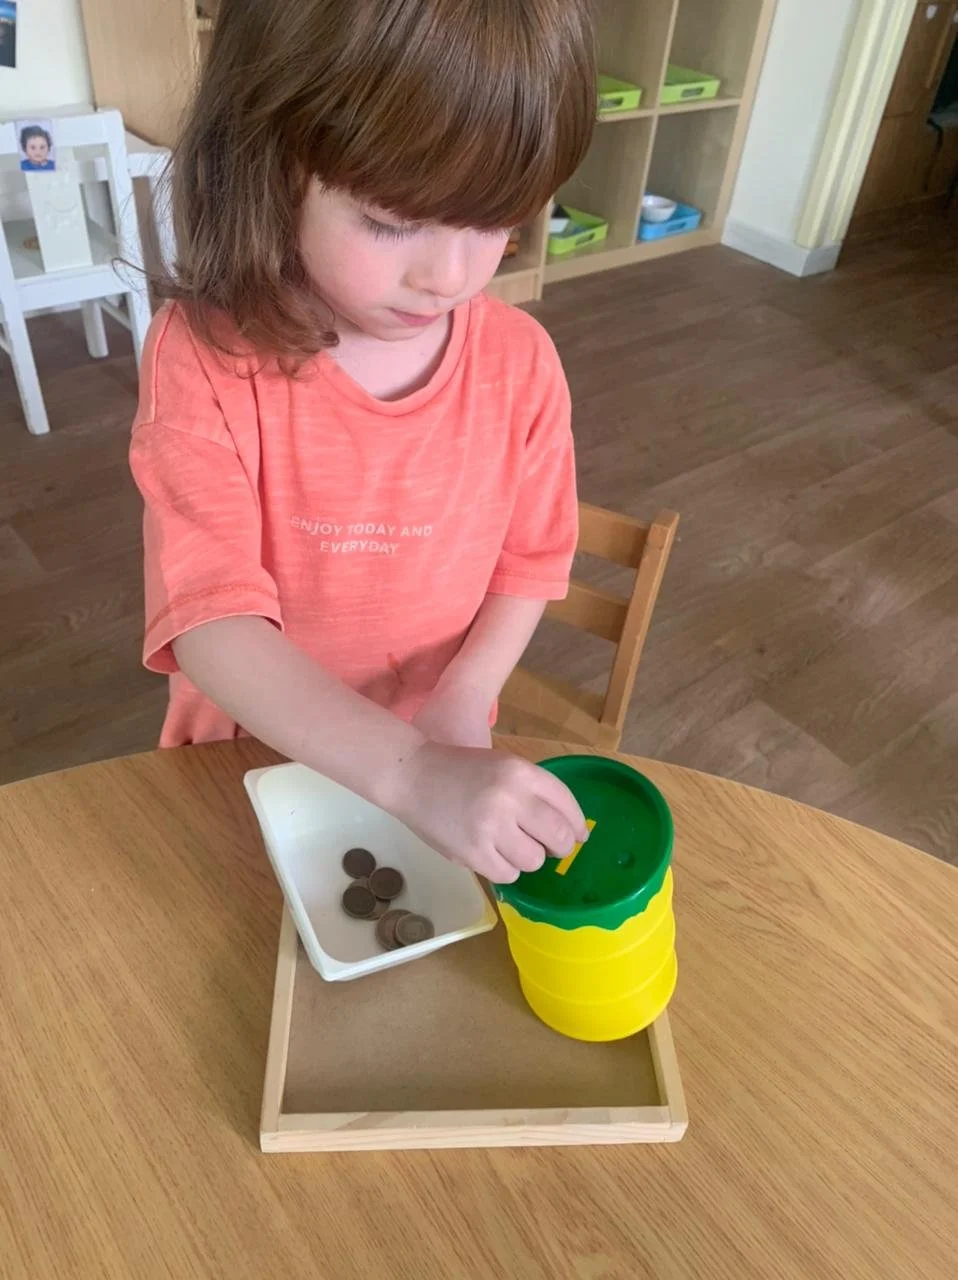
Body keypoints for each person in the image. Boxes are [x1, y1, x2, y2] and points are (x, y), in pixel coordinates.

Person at [130, 0, 596, 885]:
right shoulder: (201, 359)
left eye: (496, 219)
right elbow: (210, 619)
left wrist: (458, 703)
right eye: (390, 221)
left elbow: (528, 562)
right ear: (270, 163)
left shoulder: (522, 362)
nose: (448, 276)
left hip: (434, 764)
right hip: (243, 760)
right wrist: (408, 770)